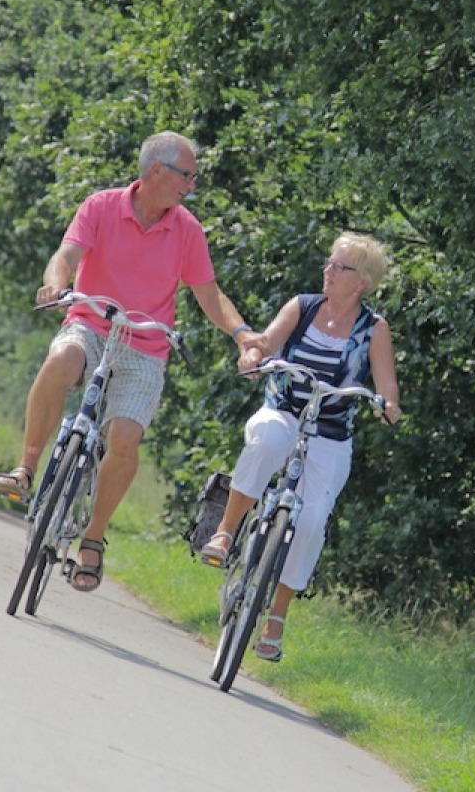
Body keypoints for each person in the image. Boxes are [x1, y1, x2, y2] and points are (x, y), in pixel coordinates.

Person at [0, 130, 264, 592]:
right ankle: (27, 468)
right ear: (156, 171)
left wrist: (242, 335)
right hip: (91, 322)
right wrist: (56, 285)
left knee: (124, 437)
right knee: (62, 360)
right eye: (187, 176)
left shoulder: (187, 230)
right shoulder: (101, 206)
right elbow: (67, 255)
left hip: (145, 344)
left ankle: (93, 539)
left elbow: (208, 294)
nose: (191, 186)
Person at [200, 231, 402, 662]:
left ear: (361, 281)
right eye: (329, 263)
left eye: (339, 267)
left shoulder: (375, 329)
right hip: (286, 411)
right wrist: (253, 358)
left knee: (310, 523)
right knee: (267, 438)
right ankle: (225, 533)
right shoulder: (303, 306)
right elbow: (266, 344)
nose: (328, 271)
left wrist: (387, 408)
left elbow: (387, 391)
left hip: (330, 435)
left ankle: (275, 619)